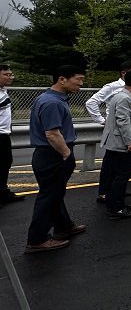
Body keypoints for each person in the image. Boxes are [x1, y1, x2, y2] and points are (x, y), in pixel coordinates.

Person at [25, 65, 88, 253]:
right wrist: (66, 154)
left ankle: (64, 226)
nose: (81, 84)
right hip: (53, 155)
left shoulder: (51, 99)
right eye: (78, 79)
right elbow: (52, 134)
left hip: (51, 154)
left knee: (55, 193)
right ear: (62, 79)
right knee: (49, 196)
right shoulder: (52, 102)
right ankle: (37, 239)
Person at [97, 69, 131, 219]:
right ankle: (116, 208)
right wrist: (130, 141)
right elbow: (123, 121)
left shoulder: (122, 95)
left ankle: (115, 202)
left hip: (114, 142)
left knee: (113, 174)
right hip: (120, 144)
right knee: (122, 175)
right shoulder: (125, 98)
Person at [85, 60, 131, 125]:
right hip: (116, 126)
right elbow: (91, 102)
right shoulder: (112, 87)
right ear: (123, 73)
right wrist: (102, 120)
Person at [1, 64, 25, 205]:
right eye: (7, 75)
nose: (11, 77)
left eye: (11, 74)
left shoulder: (3, 90)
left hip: (4, 135)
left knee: (5, 164)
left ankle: (3, 193)